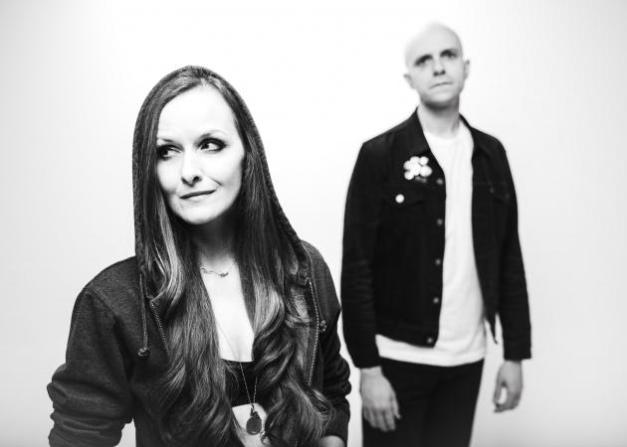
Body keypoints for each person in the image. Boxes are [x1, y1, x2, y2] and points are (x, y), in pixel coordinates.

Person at [48, 66, 350, 447]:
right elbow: (80, 433)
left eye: (210, 144)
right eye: (166, 152)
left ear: (248, 153)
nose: (189, 172)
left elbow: (331, 391)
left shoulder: (303, 270)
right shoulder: (114, 303)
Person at [341, 24, 531, 447]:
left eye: (448, 55)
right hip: (396, 360)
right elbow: (356, 268)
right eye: (424, 60)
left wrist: (515, 354)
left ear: (465, 67)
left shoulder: (491, 155)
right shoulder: (380, 155)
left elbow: (508, 258)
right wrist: (368, 369)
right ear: (409, 77)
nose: (438, 67)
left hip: (467, 360)